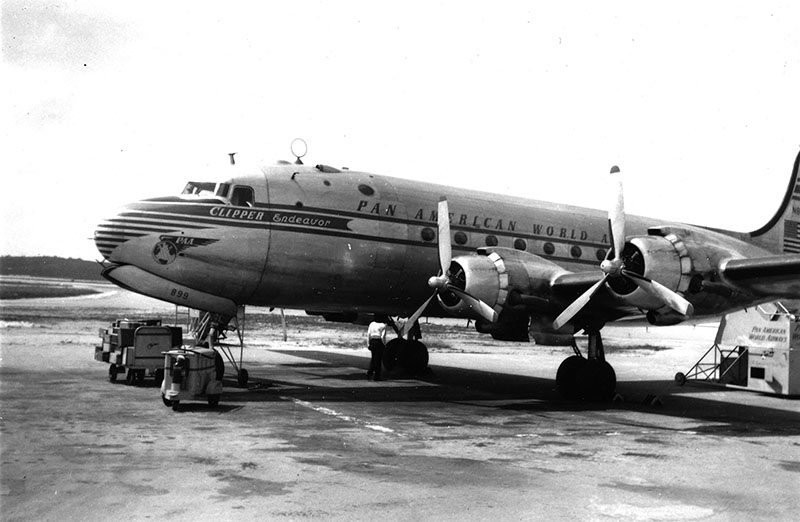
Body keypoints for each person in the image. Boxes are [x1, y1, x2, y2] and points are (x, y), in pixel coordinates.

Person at [366, 316, 388, 381]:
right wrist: (384, 344)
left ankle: (370, 372)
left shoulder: (372, 324)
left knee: (373, 358)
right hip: (378, 341)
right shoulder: (383, 325)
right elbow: (383, 336)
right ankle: (377, 376)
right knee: (378, 360)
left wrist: (368, 344)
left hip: (372, 340)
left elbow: (368, 334)